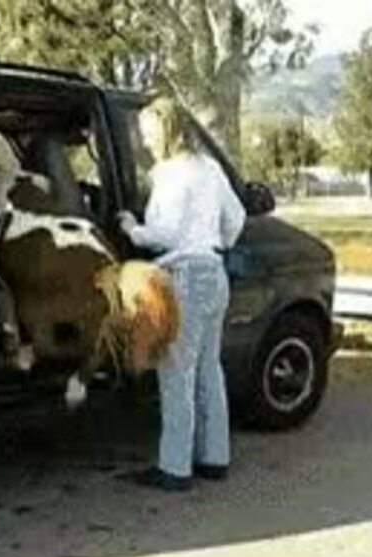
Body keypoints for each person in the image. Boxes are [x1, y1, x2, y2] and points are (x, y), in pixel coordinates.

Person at [117, 97, 247, 491]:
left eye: (148, 133)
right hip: (214, 273)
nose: (145, 141)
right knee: (210, 369)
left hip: (184, 277)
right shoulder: (209, 168)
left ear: (166, 131)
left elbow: (167, 233)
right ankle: (215, 458)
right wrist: (215, 243)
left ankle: (175, 468)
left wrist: (132, 230)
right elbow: (236, 218)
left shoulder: (171, 173)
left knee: (176, 372)